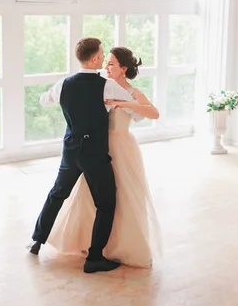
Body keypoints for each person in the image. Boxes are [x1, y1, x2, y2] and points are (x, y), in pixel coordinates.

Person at [28, 38, 144, 274]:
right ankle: (94, 258)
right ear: (93, 59)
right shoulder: (107, 86)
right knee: (106, 203)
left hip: (71, 151)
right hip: (95, 155)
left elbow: (44, 100)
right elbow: (134, 109)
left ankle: (37, 241)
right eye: (101, 55)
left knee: (58, 193)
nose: (103, 59)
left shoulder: (64, 84)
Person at [46, 46, 162, 268]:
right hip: (97, 149)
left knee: (123, 199)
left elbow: (153, 113)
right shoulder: (100, 87)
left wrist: (124, 103)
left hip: (123, 150)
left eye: (111, 64)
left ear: (123, 68)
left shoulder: (132, 92)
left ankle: (122, 247)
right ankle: (95, 246)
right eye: (106, 62)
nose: (106, 67)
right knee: (91, 199)